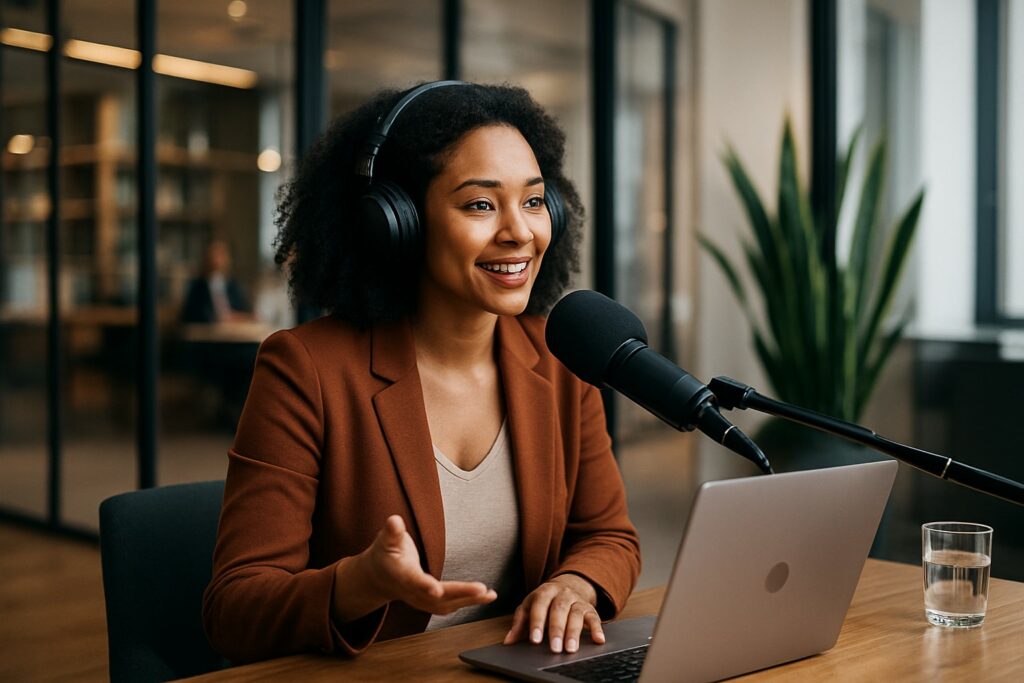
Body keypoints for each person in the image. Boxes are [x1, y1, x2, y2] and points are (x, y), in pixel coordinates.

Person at [202, 81, 641, 664]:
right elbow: (233, 608)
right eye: (480, 204)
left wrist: (577, 585)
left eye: (534, 201)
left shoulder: (560, 355)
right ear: (398, 222)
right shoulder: (306, 370)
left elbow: (609, 536)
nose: (520, 231)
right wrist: (355, 585)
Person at [181, 239, 251, 324]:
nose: (217, 261)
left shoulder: (233, 287)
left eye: (221, 256)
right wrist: (217, 317)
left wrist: (236, 316)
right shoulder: (197, 288)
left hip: (232, 333)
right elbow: (189, 317)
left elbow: (246, 312)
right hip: (207, 335)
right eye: (213, 256)